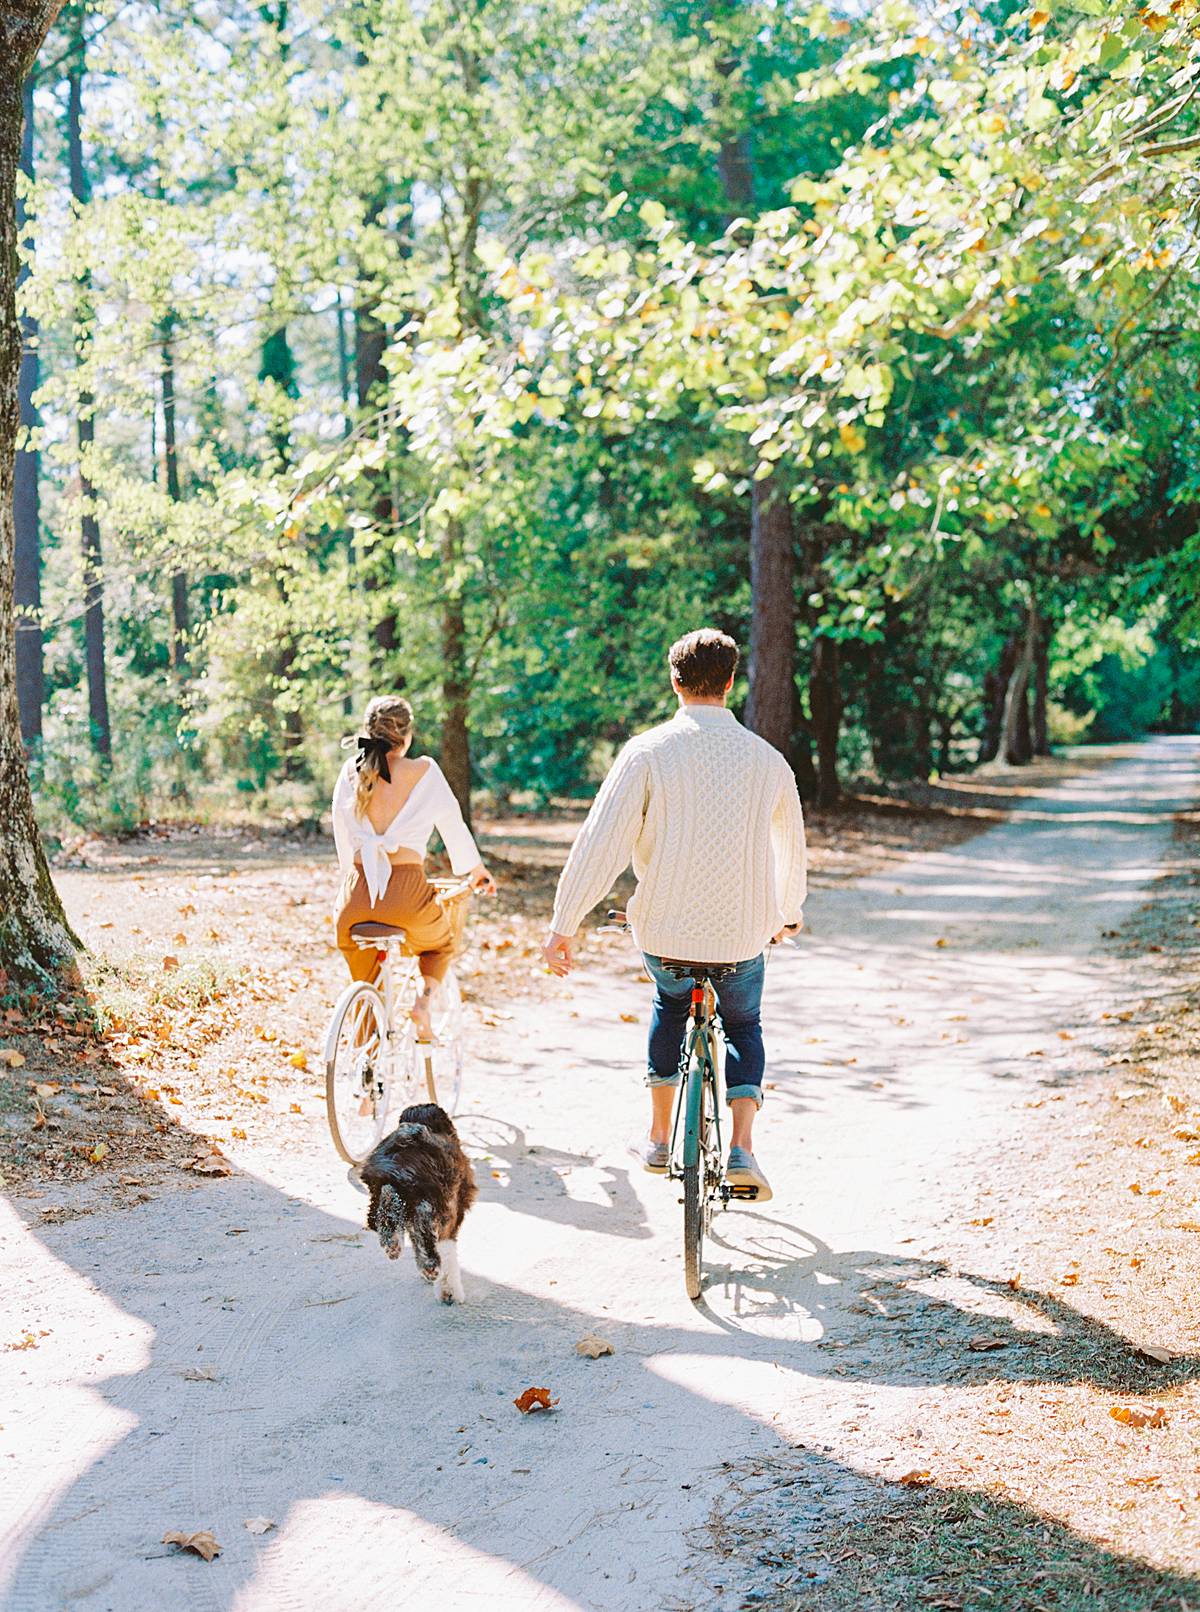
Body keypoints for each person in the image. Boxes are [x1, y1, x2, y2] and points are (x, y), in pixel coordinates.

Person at [541, 629, 806, 1203]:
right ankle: (742, 1149)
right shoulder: (769, 761)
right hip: (742, 935)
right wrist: (787, 914)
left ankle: (659, 1138)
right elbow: (792, 848)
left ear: (674, 681)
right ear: (733, 682)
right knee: (743, 1026)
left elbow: (601, 843)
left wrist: (565, 923)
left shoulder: (647, 752)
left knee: (668, 1003)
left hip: (664, 932)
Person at [332, 696, 495, 1037]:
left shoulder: (351, 770)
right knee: (442, 943)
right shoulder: (424, 771)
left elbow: (342, 839)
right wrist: (476, 870)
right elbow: (452, 824)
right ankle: (423, 1003)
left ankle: (366, 1075)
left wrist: (354, 875)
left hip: (356, 899)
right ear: (406, 735)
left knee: (365, 983)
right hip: (408, 897)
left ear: (368, 731)